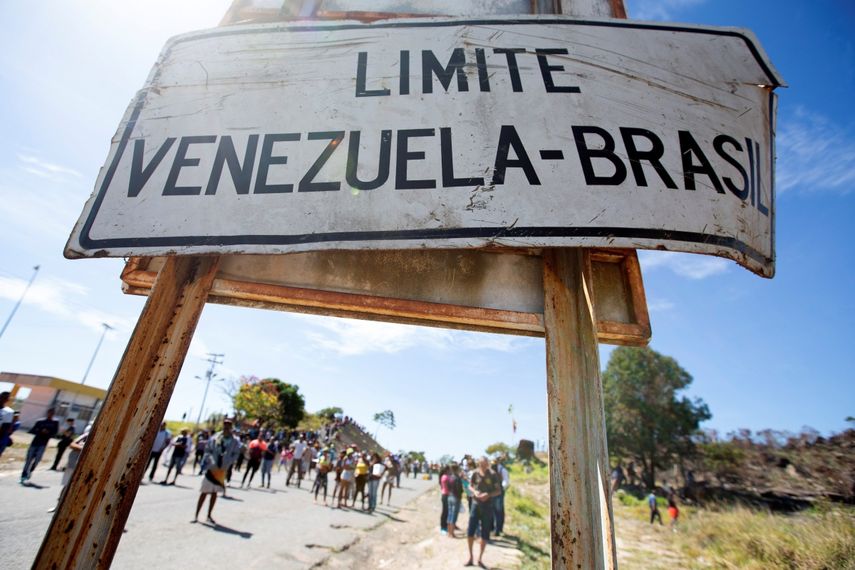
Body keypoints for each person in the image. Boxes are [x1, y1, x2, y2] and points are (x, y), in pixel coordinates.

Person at [195, 419, 240, 524]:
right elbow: (207, 450)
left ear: (231, 426)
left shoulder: (234, 441)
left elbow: (236, 454)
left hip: (222, 470)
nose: (226, 427)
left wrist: (228, 462)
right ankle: (196, 515)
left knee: (214, 493)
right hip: (211, 468)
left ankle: (209, 515)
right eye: (225, 424)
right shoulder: (215, 437)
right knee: (204, 492)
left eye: (229, 425)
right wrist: (210, 461)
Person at [466, 456, 501, 568]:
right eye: (481, 464)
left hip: (487, 506)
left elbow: (498, 490)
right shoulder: (475, 473)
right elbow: (470, 486)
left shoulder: (493, 474)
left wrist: (488, 495)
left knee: (485, 533)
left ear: (488, 464)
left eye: (484, 464)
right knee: (470, 531)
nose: (483, 466)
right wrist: (475, 492)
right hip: (475, 505)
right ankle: (470, 557)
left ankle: (480, 558)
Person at [48, 424, 92, 513]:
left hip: (87, 467)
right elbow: (72, 444)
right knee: (67, 486)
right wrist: (85, 448)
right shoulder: (86, 436)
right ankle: (59, 506)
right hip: (73, 465)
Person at [20, 407, 59, 483]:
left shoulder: (55, 423)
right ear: (47, 413)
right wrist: (41, 430)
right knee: (28, 460)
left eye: (52, 413)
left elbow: (55, 433)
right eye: (49, 412)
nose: (50, 414)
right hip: (35, 442)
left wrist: (48, 432)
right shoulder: (40, 421)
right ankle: (23, 475)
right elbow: (33, 430)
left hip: (43, 444)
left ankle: (31, 470)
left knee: (37, 459)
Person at [492, 458, 510, 536]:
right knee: (492, 510)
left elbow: (506, 482)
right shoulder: (490, 469)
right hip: (492, 492)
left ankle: (498, 529)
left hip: (499, 492)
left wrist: (500, 488)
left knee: (498, 510)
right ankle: (492, 528)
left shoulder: (503, 470)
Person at [446, 463, 464, 538]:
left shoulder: (449, 477)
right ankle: (452, 533)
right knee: (454, 515)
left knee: (450, 514)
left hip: (449, 496)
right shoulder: (457, 478)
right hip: (456, 497)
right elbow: (459, 489)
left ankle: (449, 532)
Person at [0, 392, 14, 457]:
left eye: (6, 398)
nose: (3, 399)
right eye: (2, 397)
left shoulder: (8, 412)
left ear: (7, 400)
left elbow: (7, 428)